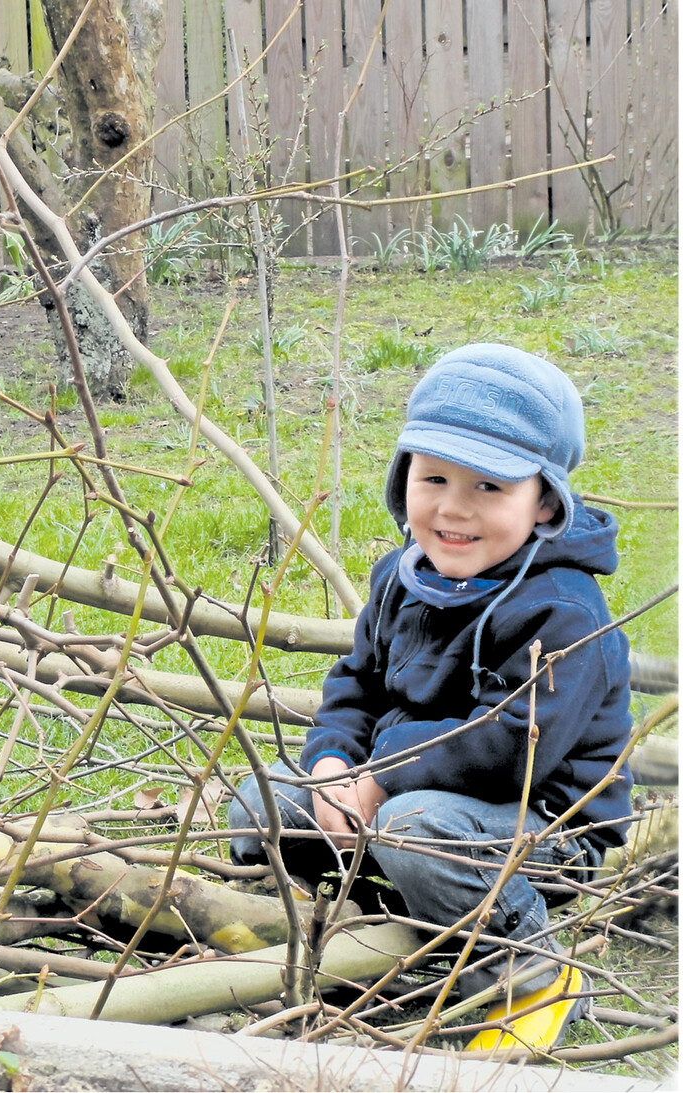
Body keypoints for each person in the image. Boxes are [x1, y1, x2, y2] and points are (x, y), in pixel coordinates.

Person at [228, 343, 633, 1049]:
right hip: (405, 802)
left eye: (488, 488)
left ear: (544, 502)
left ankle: (529, 968)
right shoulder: (401, 576)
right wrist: (332, 767)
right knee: (262, 799)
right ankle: (383, 907)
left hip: (536, 827)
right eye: (434, 476)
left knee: (417, 827)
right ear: (402, 476)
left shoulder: (564, 613)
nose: (452, 507)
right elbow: (354, 685)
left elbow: (509, 750)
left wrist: (379, 774)